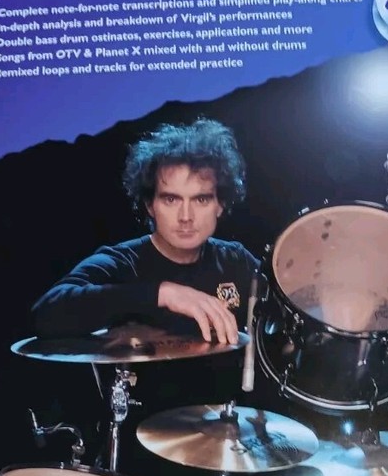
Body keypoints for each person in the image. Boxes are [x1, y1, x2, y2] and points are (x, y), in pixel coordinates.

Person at [31, 118, 259, 343]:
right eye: (171, 199)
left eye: (200, 199)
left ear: (220, 205)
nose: (186, 216)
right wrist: (163, 293)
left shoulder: (236, 261)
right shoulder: (122, 263)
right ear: (150, 205)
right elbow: (45, 313)